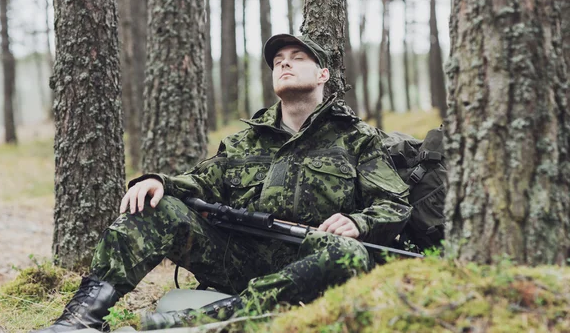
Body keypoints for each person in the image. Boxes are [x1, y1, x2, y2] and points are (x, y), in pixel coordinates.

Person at [32, 34, 412, 332]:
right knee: (156, 205)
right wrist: (157, 181)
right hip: (241, 259)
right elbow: (200, 182)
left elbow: (395, 203)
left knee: (351, 254)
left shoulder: (356, 138)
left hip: (311, 264)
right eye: (279, 62)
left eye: (297, 59)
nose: (285, 65)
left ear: (323, 75)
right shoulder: (245, 141)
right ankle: (79, 320)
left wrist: (358, 223)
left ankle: (208, 320)